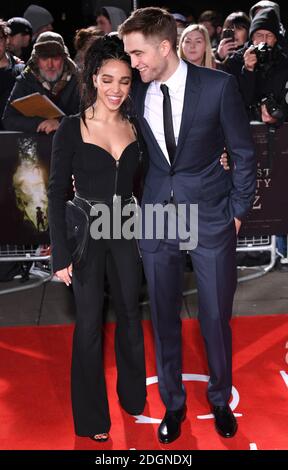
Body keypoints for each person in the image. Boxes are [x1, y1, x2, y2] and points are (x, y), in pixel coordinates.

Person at [119, 7, 256, 443]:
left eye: (138, 54)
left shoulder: (218, 87)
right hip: (158, 214)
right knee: (162, 317)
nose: (133, 63)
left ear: (163, 47)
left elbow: (244, 152)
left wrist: (235, 212)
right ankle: (173, 405)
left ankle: (219, 398)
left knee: (215, 317)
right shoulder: (138, 94)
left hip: (212, 215)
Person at [48, 35, 147, 442]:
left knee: (128, 316)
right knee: (89, 326)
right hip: (86, 231)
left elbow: (165, 169)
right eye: (108, 79)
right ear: (93, 78)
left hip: (125, 228)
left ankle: (132, 396)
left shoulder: (137, 126)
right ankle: (91, 419)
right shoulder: (72, 128)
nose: (116, 90)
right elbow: (56, 193)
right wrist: (60, 254)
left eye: (124, 81)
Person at [2, 31, 80, 133]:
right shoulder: (26, 80)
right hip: (38, 145)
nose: (50, 65)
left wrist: (60, 123)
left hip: (71, 145)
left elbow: (93, 117)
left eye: (55, 58)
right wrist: (41, 123)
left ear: (64, 59)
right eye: (44, 58)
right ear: (36, 60)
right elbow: (8, 119)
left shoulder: (79, 81)